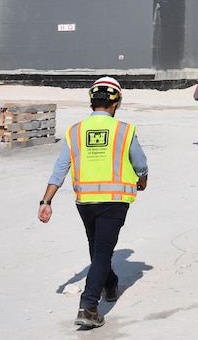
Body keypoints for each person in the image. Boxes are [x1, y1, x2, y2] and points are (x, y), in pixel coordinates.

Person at [38, 76, 149, 329]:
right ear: (116, 103)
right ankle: (88, 306)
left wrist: (47, 200)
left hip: (85, 201)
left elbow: (60, 168)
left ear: (91, 102)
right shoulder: (124, 129)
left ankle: (109, 285)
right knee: (101, 251)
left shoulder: (75, 131)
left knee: (97, 248)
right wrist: (143, 178)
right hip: (114, 200)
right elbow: (140, 163)